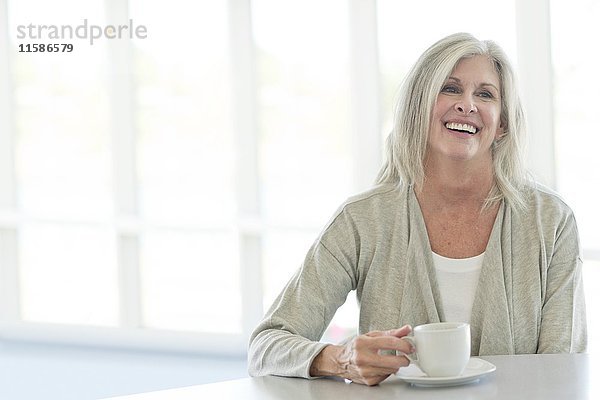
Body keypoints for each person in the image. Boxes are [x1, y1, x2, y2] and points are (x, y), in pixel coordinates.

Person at [247, 32, 587, 386]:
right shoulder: (364, 219)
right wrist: (341, 358)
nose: (467, 104)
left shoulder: (550, 221)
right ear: (419, 106)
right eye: (450, 88)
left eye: (485, 94)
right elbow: (266, 346)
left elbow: (564, 369)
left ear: (502, 123)